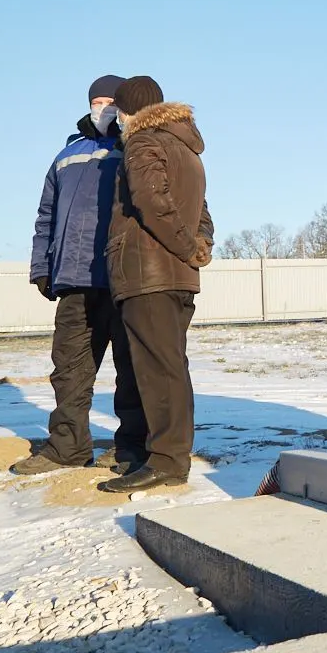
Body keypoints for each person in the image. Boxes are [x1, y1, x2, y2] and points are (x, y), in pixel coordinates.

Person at [13, 76, 149, 477]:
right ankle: (67, 447)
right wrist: (42, 267)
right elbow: (45, 217)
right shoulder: (65, 155)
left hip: (124, 278)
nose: (104, 107)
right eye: (98, 100)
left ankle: (132, 449)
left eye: (112, 101)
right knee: (69, 369)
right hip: (74, 279)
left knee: (132, 370)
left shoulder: (137, 148)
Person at [99, 76, 214, 494]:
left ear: (129, 111)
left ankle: (167, 461)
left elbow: (150, 200)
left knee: (158, 369)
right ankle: (160, 454)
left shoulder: (143, 141)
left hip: (149, 273)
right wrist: (198, 249)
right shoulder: (187, 148)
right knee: (166, 366)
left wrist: (185, 247)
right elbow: (204, 213)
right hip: (177, 277)